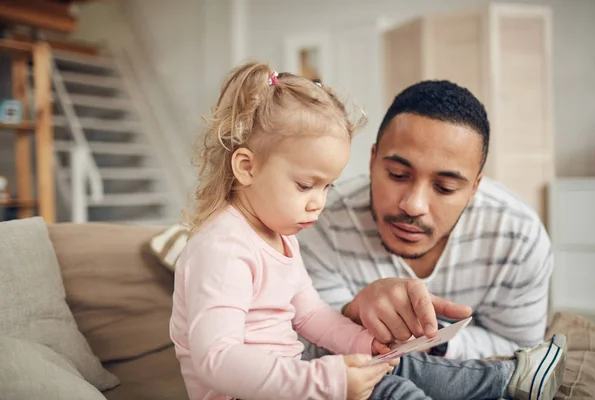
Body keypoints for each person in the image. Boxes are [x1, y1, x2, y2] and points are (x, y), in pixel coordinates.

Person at [169, 62, 566, 400]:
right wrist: (327, 380)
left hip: (294, 385)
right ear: (246, 167)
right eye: (306, 185)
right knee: (389, 390)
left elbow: (312, 315)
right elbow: (215, 360)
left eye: (328, 186)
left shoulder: (282, 233)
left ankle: (512, 378)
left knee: (398, 366)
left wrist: (368, 345)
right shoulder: (222, 248)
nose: (318, 203)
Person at [297, 80, 554, 361]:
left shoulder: (518, 237)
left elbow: (522, 349)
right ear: (372, 161)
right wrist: (351, 313)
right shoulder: (317, 221)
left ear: (474, 188)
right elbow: (303, 345)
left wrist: (434, 338)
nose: (413, 205)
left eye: (444, 187)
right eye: (397, 174)